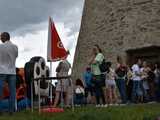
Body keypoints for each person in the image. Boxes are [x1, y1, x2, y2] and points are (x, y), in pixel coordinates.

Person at [0, 32, 18, 114]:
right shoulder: (15, 47)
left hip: (2, 71)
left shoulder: (1, 47)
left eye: (1, 37)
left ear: (4, 37)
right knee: (12, 92)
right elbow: (16, 56)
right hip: (12, 71)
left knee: (0, 91)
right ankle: (11, 110)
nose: (0, 39)